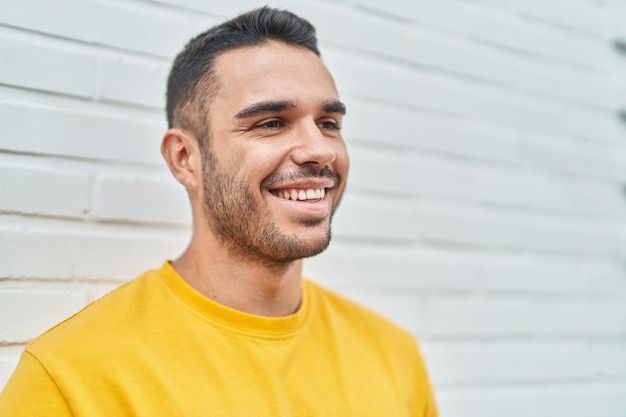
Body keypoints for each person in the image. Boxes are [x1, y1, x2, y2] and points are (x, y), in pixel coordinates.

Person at [0, 7, 437, 416]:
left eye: (329, 123)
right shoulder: (70, 379)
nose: (320, 150)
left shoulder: (393, 357)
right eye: (271, 122)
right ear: (185, 158)